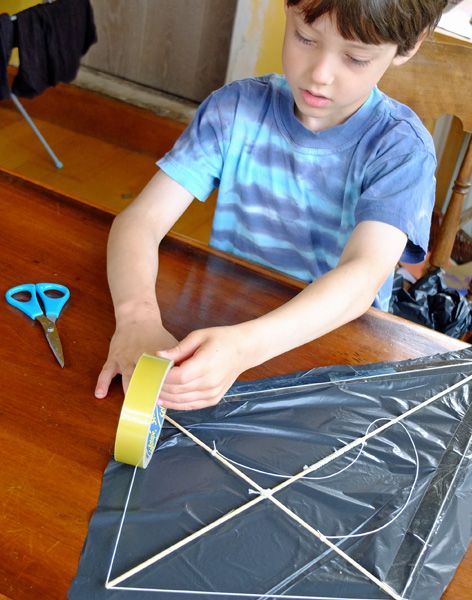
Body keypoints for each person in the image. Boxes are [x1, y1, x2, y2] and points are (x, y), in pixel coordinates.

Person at [95, 0, 447, 410]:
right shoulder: (236, 109)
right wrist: (137, 319)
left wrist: (246, 347)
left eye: (354, 57)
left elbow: (362, 277)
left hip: (331, 357)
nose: (320, 74)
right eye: (305, 37)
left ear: (408, 46)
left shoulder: (401, 150)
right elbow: (140, 221)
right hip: (224, 333)